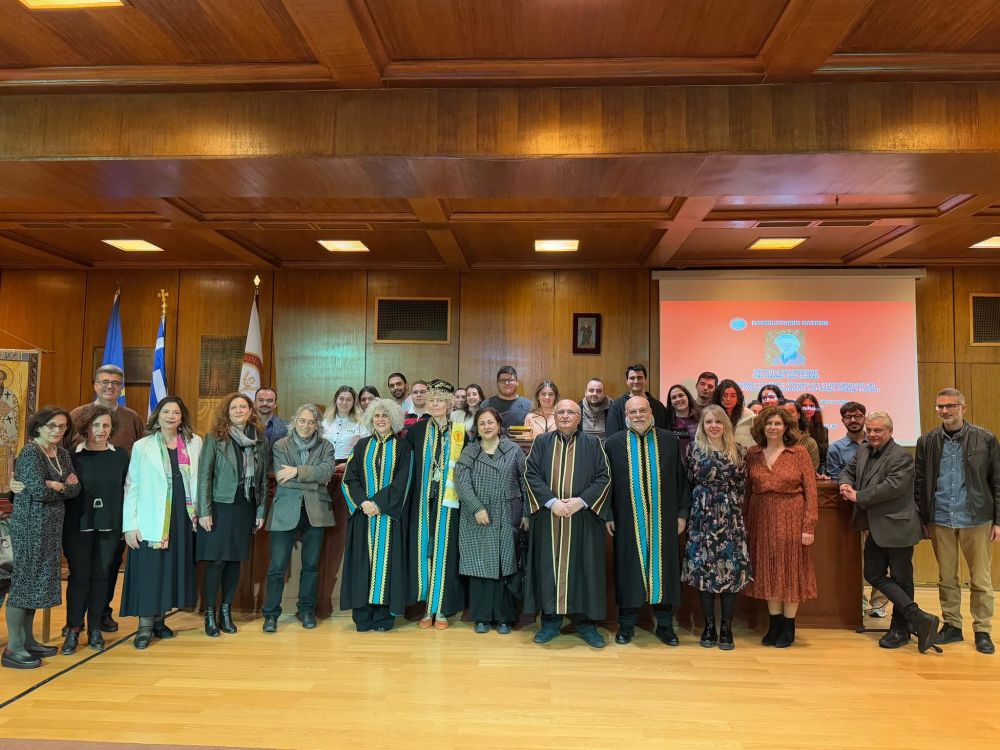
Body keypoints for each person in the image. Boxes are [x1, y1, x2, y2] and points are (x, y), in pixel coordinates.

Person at [839, 411, 940, 653]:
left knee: (901, 579)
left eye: (878, 430)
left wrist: (859, 496)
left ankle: (900, 629)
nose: (872, 434)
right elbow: (848, 470)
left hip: (898, 527)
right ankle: (919, 618)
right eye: (870, 430)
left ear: (890, 431)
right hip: (874, 526)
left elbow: (892, 487)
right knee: (872, 574)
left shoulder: (901, 456)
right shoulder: (864, 450)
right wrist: (845, 483)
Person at [916, 388, 1000, 655]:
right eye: (940, 407)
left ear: (963, 408)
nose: (945, 411)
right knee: (946, 577)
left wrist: (998, 521)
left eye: (951, 406)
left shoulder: (985, 438)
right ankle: (952, 625)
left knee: (981, 579)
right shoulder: (927, 440)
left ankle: (983, 630)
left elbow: (997, 480)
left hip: (977, 518)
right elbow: (920, 482)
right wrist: (924, 518)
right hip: (940, 518)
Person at [524, 400, 611, 648]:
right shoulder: (542, 442)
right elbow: (531, 474)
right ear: (554, 416)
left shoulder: (593, 443)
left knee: (585, 569)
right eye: (560, 412)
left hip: (582, 519)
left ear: (578, 417)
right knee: (547, 569)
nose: (564, 415)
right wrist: (551, 502)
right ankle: (550, 622)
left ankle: (586, 624)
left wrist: (580, 502)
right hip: (549, 518)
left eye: (570, 412)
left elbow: (604, 477)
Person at [605, 396, 691, 646]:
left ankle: (665, 625)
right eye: (633, 412)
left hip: (663, 519)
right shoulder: (613, 443)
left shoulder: (669, 440)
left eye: (642, 410)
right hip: (627, 520)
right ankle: (626, 624)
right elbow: (607, 483)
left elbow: (680, 478)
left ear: (651, 412)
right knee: (628, 570)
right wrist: (609, 514)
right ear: (626, 416)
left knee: (664, 570)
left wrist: (682, 513)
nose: (638, 415)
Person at [120, 397, 202, 650]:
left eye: (176, 412)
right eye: (166, 411)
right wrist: (130, 524)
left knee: (170, 570)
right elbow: (132, 485)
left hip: (182, 517)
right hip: (151, 518)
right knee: (150, 571)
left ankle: (159, 621)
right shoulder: (142, 445)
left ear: (182, 417)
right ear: (157, 415)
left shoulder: (194, 443)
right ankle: (144, 626)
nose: (170, 416)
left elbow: (200, 480)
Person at [69, 364, 145, 635]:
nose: (109, 386)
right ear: (95, 385)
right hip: (81, 508)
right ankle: (76, 620)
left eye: (115, 382)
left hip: (115, 506)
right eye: (104, 381)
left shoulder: (132, 417)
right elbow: (63, 455)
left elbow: (141, 454)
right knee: (81, 569)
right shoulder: (77, 414)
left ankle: (102, 612)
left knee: (109, 565)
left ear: (121, 387)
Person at [3, 407, 79, 670]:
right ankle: (13, 648)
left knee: (36, 585)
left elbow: (76, 488)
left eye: (62, 426)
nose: (57, 430)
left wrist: (56, 485)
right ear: (39, 427)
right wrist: (60, 485)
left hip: (51, 528)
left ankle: (28, 639)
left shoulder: (63, 454)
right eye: (52, 425)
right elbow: (38, 491)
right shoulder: (30, 453)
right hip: (29, 527)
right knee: (23, 585)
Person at [744, 406, 818, 648]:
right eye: (769, 423)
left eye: (777, 423)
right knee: (769, 569)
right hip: (761, 519)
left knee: (790, 570)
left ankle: (788, 626)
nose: (773, 427)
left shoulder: (799, 453)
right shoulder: (753, 454)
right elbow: (747, 492)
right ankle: (774, 624)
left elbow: (811, 492)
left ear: (786, 427)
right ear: (762, 427)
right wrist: (745, 522)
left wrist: (809, 526)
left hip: (792, 518)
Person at [195, 392, 268, 638]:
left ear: (250, 411)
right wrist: (204, 511)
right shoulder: (215, 438)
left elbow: (262, 481)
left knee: (235, 562)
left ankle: (226, 612)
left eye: (243, 407)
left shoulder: (259, 441)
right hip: (219, 507)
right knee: (216, 561)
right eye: (234, 407)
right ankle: (209, 613)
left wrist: (260, 511)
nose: (238, 411)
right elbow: (204, 476)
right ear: (227, 412)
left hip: (244, 507)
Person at [683, 405, 752, 651]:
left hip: (730, 520)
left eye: (718, 421)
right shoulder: (693, 450)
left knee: (731, 574)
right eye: (709, 422)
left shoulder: (739, 451)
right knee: (704, 572)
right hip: (701, 519)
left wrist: (731, 509)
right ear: (703, 426)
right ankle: (709, 626)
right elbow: (688, 483)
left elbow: (742, 485)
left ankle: (726, 627)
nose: (714, 426)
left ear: (725, 425)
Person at [262, 404, 336, 633]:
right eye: (302, 421)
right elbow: (281, 477)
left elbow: (327, 473)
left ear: (317, 425)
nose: (306, 426)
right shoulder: (281, 445)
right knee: (277, 567)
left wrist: (296, 471)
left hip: (316, 512)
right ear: (295, 422)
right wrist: (312, 478)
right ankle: (271, 614)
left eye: (311, 422)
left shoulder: (326, 446)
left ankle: (306, 610)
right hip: (285, 510)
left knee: (311, 566)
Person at [455, 407, 529, 634]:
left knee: (506, 566)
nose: (486, 427)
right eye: (482, 423)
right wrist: (476, 508)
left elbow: (526, 482)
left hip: (508, 515)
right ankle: (482, 617)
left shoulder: (513, 450)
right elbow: (461, 483)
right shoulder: (470, 451)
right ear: (476, 429)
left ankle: (505, 618)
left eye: (490, 422)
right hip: (478, 518)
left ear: (498, 425)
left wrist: (526, 513)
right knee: (480, 566)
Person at [61, 405, 128, 654]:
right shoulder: (71, 456)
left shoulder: (120, 456)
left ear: (112, 429)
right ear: (86, 427)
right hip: (78, 526)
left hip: (110, 525)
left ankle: (95, 628)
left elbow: (129, 490)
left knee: (101, 576)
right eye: (96, 425)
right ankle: (73, 628)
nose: (101, 430)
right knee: (79, 577)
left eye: (106, 425)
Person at [341, 398, 412, 632]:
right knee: (362, 565)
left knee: (387, 566)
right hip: (364, 517)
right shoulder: (362, 446)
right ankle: (362, 617)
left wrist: (378, 504)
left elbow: (403, 482)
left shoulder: (403, 447)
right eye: (377, 416)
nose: (380, 420)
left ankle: (383, 617)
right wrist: (363, 503)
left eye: (385, 415)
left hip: (388, 518)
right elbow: (349, 478)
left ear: (394, 419)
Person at [406, 381, 466, 628]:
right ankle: (425, 609)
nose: (435, 404)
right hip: (421, 501)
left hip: (449, 503)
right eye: (432, 400)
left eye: (440, 400)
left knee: (444, 553)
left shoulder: (460, 432)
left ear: (449, 403)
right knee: (424, 551)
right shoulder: (416, 431)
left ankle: (440, 608)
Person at [605, 364, 668, 437]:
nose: (636, 381)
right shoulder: (616, 406)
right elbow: (612, 436)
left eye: (639, 378)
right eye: (632, 378)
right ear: (627, 381)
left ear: (645, 380)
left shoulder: (658, 406)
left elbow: (665, 434)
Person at [321, 385, 370, 465]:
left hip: (349, 465)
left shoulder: (361, 423)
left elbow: (367, 449)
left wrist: (349, 464)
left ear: (353, 402)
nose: (344, 402)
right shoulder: (325, 422)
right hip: (325, 464)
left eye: (349, 399)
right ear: (336, 400)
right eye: (341, 399)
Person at [482, 366, 533, 431]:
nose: (506, 383)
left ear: (517, 382)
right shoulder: (486, 405)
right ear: (497, 383)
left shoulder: (529, 406)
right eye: (502, 380)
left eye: (510, 380)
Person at [827, 401, 868, 480]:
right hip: (846, 487)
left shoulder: (876, 443)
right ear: (843, 421)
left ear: (865, 419)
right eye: (848, 417)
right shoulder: (835, 448)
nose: (853, 420)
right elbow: (835, 479)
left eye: (857, 416)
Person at [713, 379, 754, 448]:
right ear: (718, 397)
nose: (728, 399)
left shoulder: (749, 417)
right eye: (725, 395)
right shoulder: (710, 414)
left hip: (743, 454)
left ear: (738, 398)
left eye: (733, 396)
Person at [796, 393, 829, 475]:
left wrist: (823, 473)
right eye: (804, 406)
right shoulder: (792, 428)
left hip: (816, 474)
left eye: (811, 406)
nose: (808, 409)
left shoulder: (823, 430)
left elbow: (823, 458)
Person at [782, 400, 820, 472]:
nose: (787, 416)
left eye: (791, 412)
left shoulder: (809, 443)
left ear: (798, 415)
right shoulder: (772, 440)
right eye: (783, 413)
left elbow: (811, 472)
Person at [664, 383, 700, 456]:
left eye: (681, 395)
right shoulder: (666, 421)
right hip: (674, 460)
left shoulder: (700, 418)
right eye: (674, 397)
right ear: (671, 402)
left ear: (688, 397)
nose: (678, 399)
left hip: (696, 460)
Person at [579, 378, 611, 442]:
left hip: (607, 447)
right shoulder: (578, 409)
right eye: (591, 390)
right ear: (585, 392)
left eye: (598, 391)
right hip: (584, 447)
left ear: (604, 394)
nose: (594, 394)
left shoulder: (613, 409)